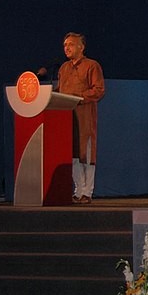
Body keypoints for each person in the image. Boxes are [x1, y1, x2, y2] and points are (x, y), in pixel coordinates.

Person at [57, 32, 105, 204]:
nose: (67, 48)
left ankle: (88, 192)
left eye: (70, 44)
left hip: (84, 116)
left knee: (86, 153)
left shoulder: (92, 66)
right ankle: (78, 190)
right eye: (65, 45)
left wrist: (77, 97)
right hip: (66, 117)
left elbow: (98, 90)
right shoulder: (64, 68)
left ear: (81, 47)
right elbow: (60, 91)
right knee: (73, 154)